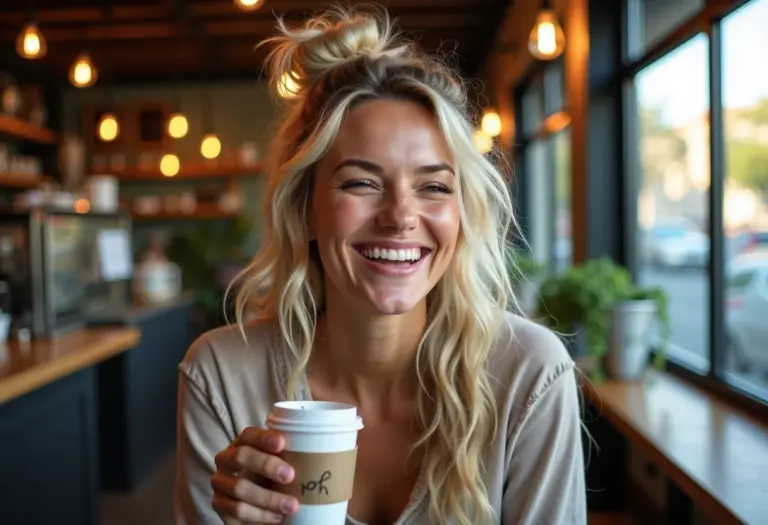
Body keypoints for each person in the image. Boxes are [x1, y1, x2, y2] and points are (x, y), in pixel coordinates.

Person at [174, 5, 587, 525]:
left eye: (434, 187)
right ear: (304, 210)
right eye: (361, 182)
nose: (400, 217)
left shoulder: (528, 376)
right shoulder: (222, 376)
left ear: (463, 214)